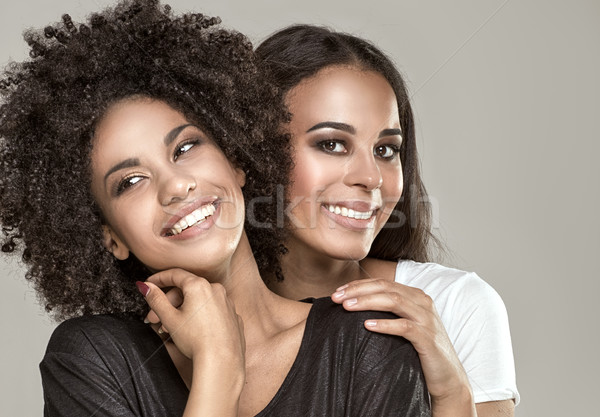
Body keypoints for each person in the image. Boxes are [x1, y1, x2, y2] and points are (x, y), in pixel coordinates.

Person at [0, 1, 431, 416]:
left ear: (237, 161)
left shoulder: (368, 339)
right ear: (110, 237)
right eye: (130, 182)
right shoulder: (92, 360)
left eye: (186, 147)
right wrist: (219, 367)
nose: (175, 186)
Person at [252, 25, 520, 417]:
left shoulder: (455, 306)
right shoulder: (194, 323)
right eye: (332, 144)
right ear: (253, 150)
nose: (372, 177)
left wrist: (452, 393)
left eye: (385, 149)